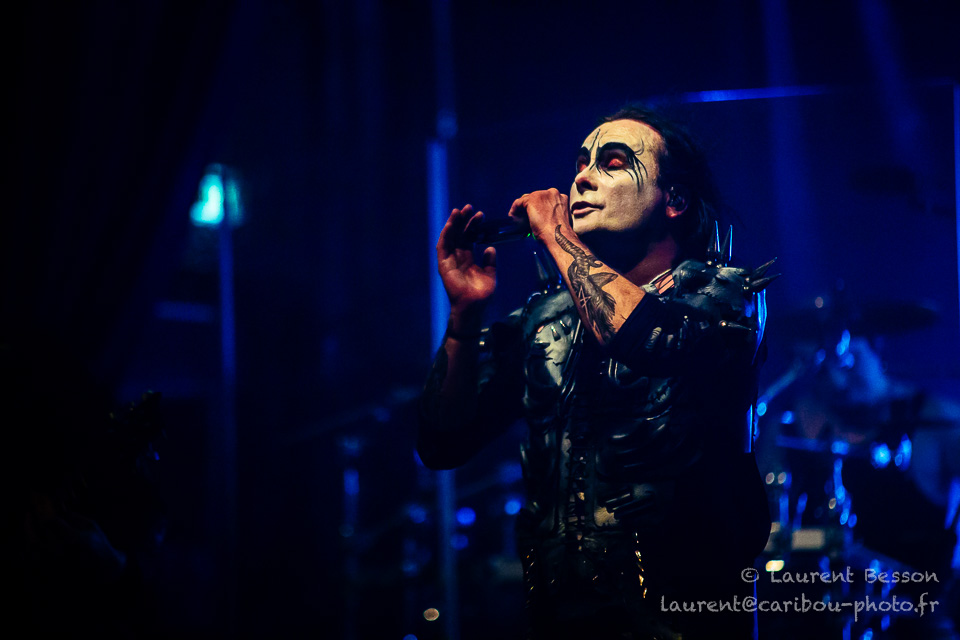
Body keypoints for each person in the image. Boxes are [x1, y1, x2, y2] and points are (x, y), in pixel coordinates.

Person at [419, 106, 775, 639]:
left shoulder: (722, 296)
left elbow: (651, 339)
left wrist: (558, 235)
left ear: (674, 200)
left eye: (611, 163)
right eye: (581, 163)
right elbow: (441, 444)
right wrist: (465, 317)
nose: (582, 178)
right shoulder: (544, 320)